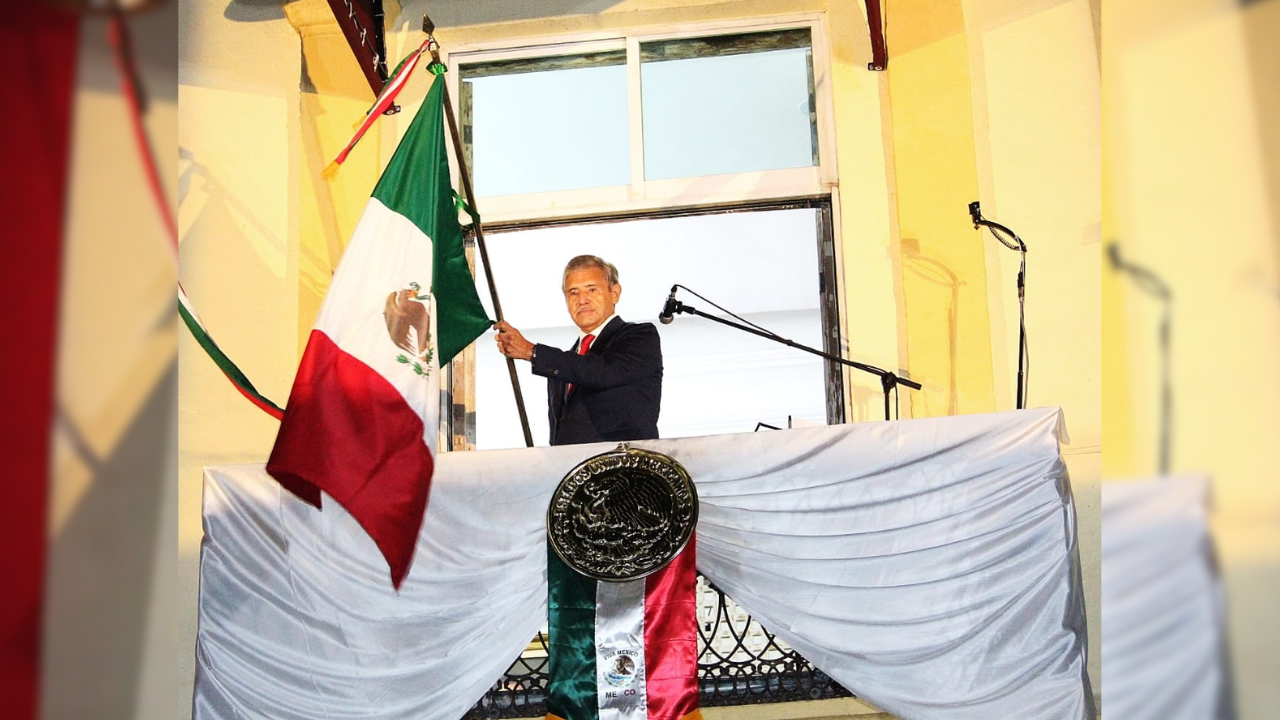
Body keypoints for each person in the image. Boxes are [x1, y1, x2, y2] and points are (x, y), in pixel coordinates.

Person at [494, 255, 663, 446]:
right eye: (573, 293)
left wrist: (532, 351)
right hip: (573, 471)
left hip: (624, 467)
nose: (582, 300)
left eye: (592, 289)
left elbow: (602, 372)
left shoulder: (640, 336)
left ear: (614, 293)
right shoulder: (565, 363)